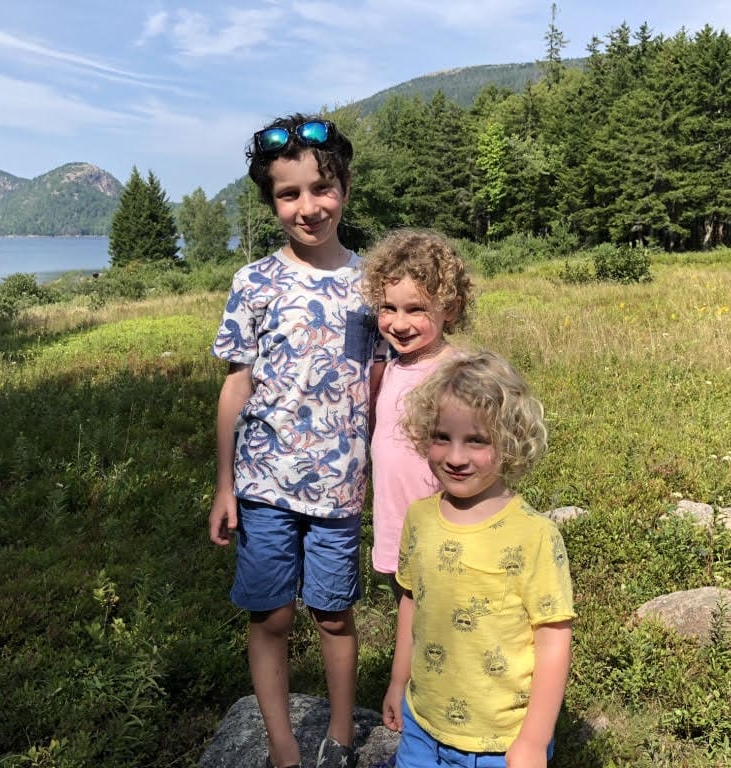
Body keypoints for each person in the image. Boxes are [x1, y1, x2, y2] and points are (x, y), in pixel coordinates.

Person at [209, 114, 383, 768]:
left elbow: (383, 382)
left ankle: (340, 737)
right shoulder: (252, 282)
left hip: (341, 488)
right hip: (262, 487)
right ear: (271, 200)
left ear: (344, 186)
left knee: (334, 616)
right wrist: (225, 485)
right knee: (271, 617)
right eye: (289, 194)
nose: (308, 207)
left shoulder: (373, 283)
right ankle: (282, 748)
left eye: (321, 188)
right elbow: (235, 387)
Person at [382, 350, 575, 768]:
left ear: (509, 442)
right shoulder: (420, 518)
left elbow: (554, 639)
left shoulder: (534, 535)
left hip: (499, 743)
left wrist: (533, 740)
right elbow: (411, 603)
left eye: (476, 440)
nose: (454, 457)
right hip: (422, 725)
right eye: (441, 437)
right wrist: (399, 681)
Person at [362, 229, 473, 600]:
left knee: (451, 622)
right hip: (397, 527)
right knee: (410, 614)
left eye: (416, 309)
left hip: (445, 531)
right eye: (388, 308)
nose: (399, 323)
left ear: (450, 309)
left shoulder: (456, 373)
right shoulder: (391, 368)